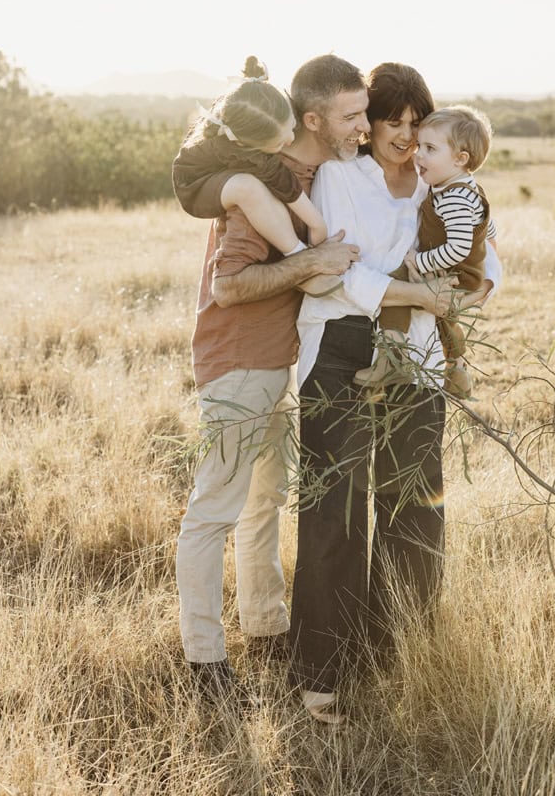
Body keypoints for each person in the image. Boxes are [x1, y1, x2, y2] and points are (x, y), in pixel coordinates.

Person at [175, 55, 454, 708]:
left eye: (367, 114)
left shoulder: (306, 173)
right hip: (239, 360)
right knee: (216, 507)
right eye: (355, 116)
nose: (366, 128)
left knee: (262, 502)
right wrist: (313, 261)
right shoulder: (264, 184)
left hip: (282, 359)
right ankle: (205, 663)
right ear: (314, 119)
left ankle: (268, 631)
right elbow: (230, 283)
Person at [289, 63, 501, 726]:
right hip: (340, 349)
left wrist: (464, 291)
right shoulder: (337, 179)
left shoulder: (440, 182)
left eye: (417, 125)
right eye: (392, 123)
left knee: (415, 503)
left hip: (416, 356)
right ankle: (321, 671)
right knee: (337, 509)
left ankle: (395, 650)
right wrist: (411, 291)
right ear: (371, 124)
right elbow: (337, 272)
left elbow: (484, 262)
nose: (406, 137)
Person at [354, 103, 497, 399]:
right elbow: (488, 228)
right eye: (421, 146)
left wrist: (419, 260)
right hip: (460, 275)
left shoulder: (454, 197)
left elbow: (458, 247)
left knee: (396, 281)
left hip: (454, 273)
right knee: (446, 319)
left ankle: (391, 358)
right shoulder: (465, 188)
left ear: (460, 159)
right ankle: (456, 370)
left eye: (430, 149)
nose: (418, 154)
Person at [172, 68, 340, 295]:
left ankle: (300, 257)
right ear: (248, 146)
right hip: (195, 186)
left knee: (264, 193)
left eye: (292, 127)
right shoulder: (250, 155)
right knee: (249, 188)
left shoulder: (256, 112)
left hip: (219, 169)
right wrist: (317, 224)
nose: (291, 140)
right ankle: (301, 262)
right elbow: (285, 185)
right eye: (279, 144)